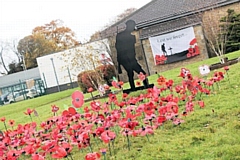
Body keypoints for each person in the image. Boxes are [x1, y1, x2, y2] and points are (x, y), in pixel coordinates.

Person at [115, 20, 148, 91]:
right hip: (125, 58)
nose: (133, 28)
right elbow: (118, 47)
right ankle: (133, 87)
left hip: (131, 58)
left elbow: (131, 48)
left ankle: (145, 85)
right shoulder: (121, 36)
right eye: (132, 26)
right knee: (130, 72)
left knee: (140, 72)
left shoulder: (131, 37)